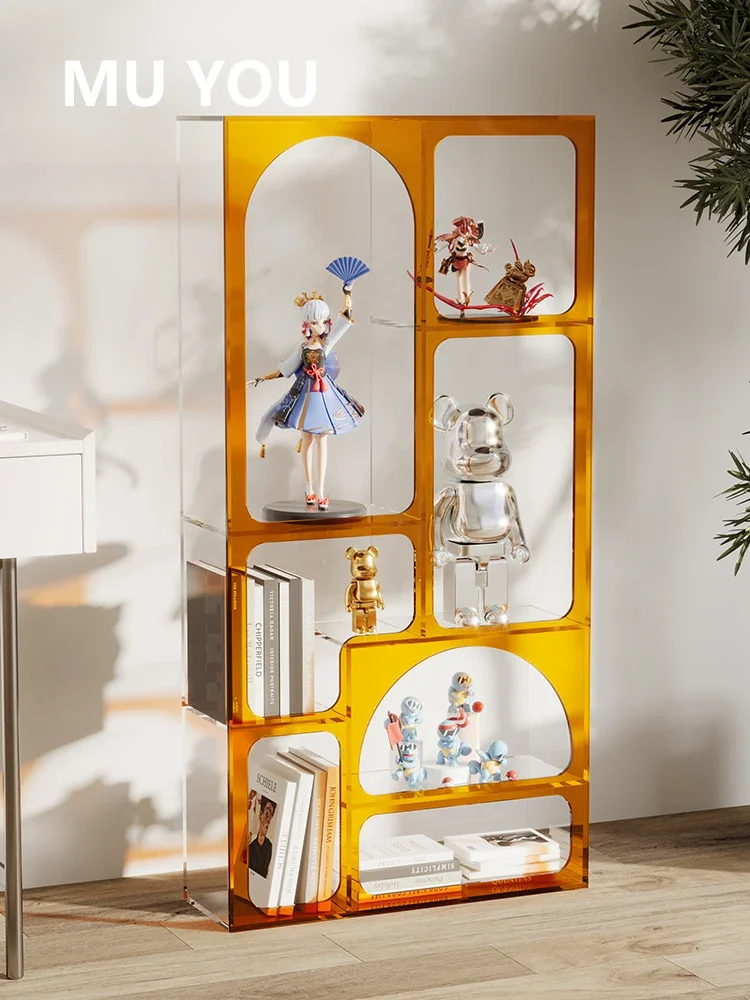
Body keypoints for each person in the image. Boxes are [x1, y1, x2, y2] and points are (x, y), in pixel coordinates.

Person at [250, 286, 364, 511]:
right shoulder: (302, 348)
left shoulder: (326, 344)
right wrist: (261, 378)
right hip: (306, 394)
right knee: (308, 440)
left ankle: (321, 491)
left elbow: (347, 318)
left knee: (322, 442)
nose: (319, 326)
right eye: (314, 322)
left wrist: (347, 292)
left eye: (322, 322)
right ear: (306, 324)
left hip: (325, 394)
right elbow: (285, 369)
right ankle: (308, 488)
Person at [248, 795, 277, 879]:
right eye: (267, 813)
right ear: (260, 814)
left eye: (271, 815)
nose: (268, 819)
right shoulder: (250, 847)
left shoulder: (269, 846)